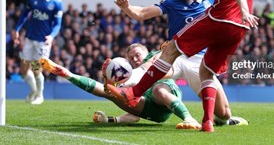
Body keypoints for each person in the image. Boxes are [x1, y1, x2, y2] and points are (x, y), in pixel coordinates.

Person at [108, 0, 260, 132]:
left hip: (220, 23)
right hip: (233, 29)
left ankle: (134, 93)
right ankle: (129, 89)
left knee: (224, 113)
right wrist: (127, 8)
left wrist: (243, 10)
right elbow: (142, 14)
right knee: (170, 54)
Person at [39, 43, 201, 129]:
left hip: (164, 89)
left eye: (138, 55)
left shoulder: (155, 55)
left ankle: (189, 119)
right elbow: (134, 116)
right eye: (132, 58)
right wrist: (110, 120)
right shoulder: (130, 73)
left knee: (157, 90)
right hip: (155, 112)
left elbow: (144, 71)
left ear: (145, 53)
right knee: (110, 91)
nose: (136, 59)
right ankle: (66, 73)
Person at [14, 0, 63, 104]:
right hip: (30, 39)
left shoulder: (57, 3)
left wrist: (51, 36)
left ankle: (40, 96)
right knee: (24, 69)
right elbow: (25, 14)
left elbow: (58, 24)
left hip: (43, 42)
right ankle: (33, 91)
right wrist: (17, 29)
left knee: (36, 69)